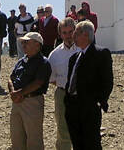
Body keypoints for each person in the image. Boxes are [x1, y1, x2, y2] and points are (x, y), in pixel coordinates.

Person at [64, 20, 113, 150]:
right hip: (72, 108)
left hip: (89, 109)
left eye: (75, 33)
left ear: (85, 35)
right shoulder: (74, 58)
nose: (72, 37)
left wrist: (99, 102)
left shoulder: (101, 54)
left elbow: (107, 81)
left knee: (92, 143)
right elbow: (70, 82)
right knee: (77, 143)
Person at [8, 32, 52, 150]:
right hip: (17, 102)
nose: (23, 45)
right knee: (17, 138)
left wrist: (19, 93)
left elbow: (38, 83)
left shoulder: (43, 62)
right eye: (23, 42)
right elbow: (11, 78)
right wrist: (13, 93)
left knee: (34, 139)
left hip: (32, 102)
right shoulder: (21, 61)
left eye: (26, 42)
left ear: (37, 45)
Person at [48, 18, 79, 150]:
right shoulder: (54, 55)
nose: (68, 36)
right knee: (63, 130)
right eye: (64, 33)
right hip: (62, 95)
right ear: (60, 34)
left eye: (71, 32)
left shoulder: (84, 50)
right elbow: (52, 79)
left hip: (82, 94)